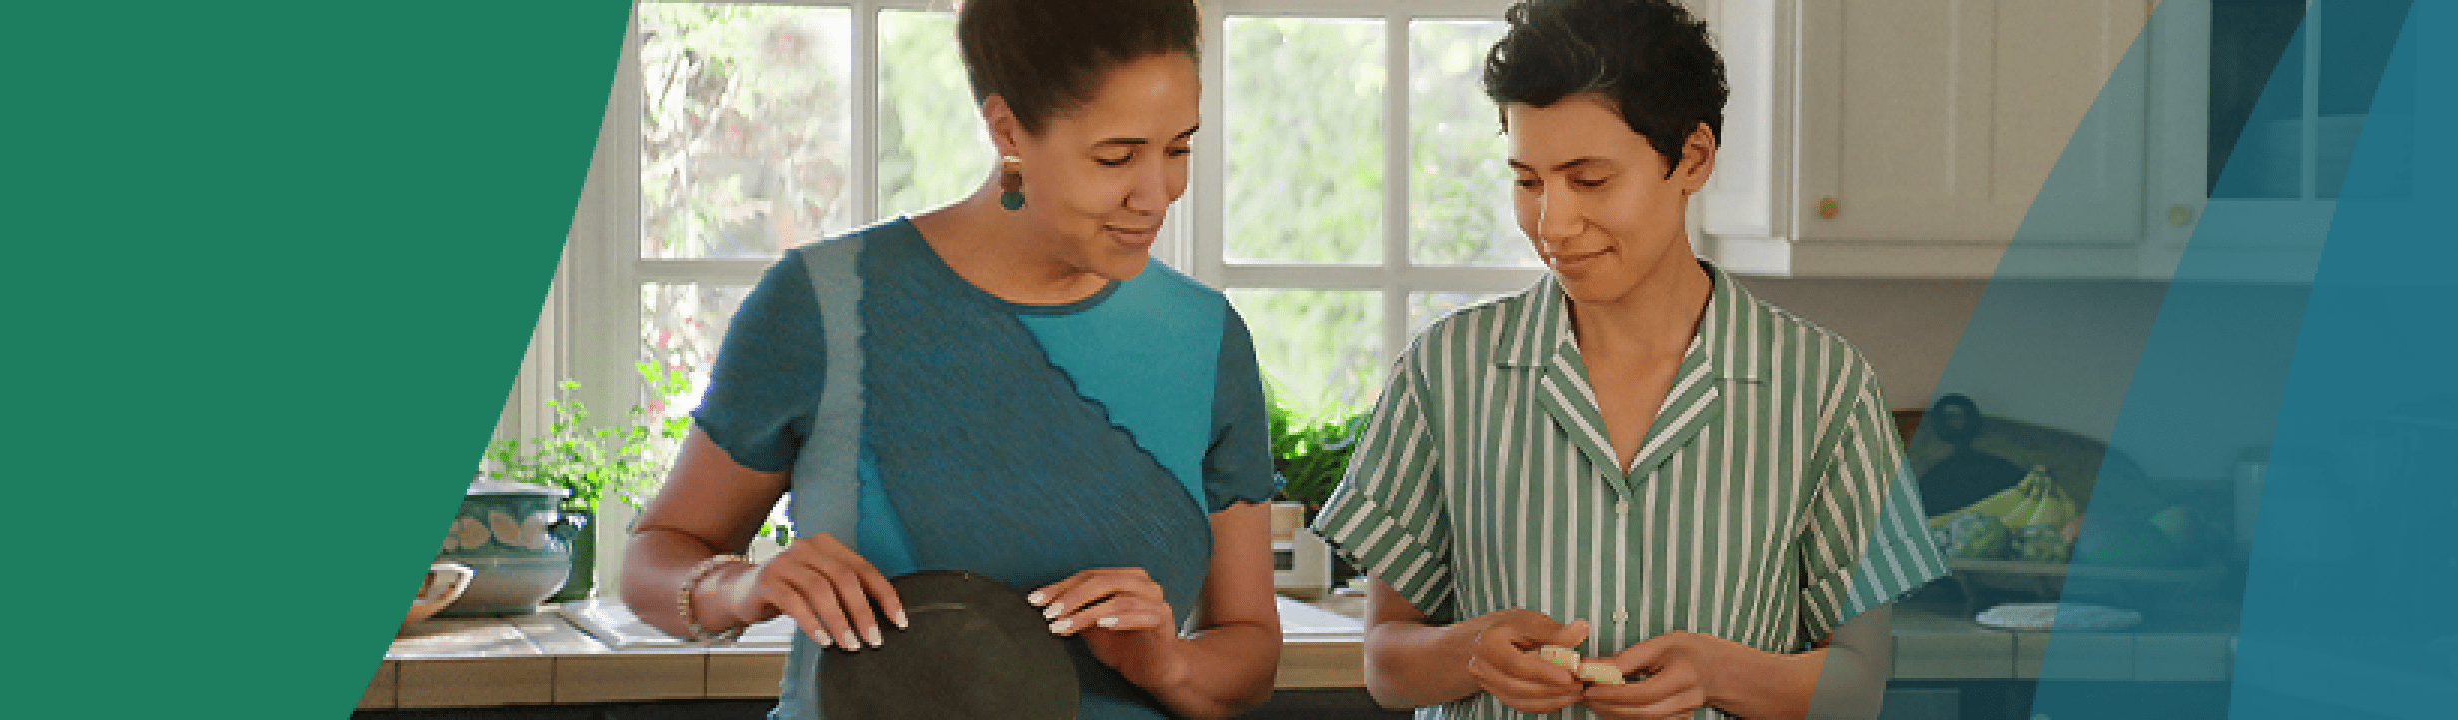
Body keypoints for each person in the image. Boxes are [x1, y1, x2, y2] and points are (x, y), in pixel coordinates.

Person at [620, 1, 1285, 718]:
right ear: (1007, 131)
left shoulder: (1205, 338)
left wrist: (1170, 665)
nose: (1156, 194)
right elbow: (657, 554)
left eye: (1178, 148)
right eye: (1115, 157)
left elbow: (1248, 649)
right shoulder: (826, 303)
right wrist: (738, 587)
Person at [1310, 1, 1953, 718]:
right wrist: (1470, 653)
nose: (1552, 223)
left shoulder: (1824, 389)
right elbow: (1385, 661)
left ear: (1693, 158)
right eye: (1528, 181)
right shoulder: (1445, 372)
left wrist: (1716, 673)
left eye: (1589, 181)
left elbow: (1858, 684)